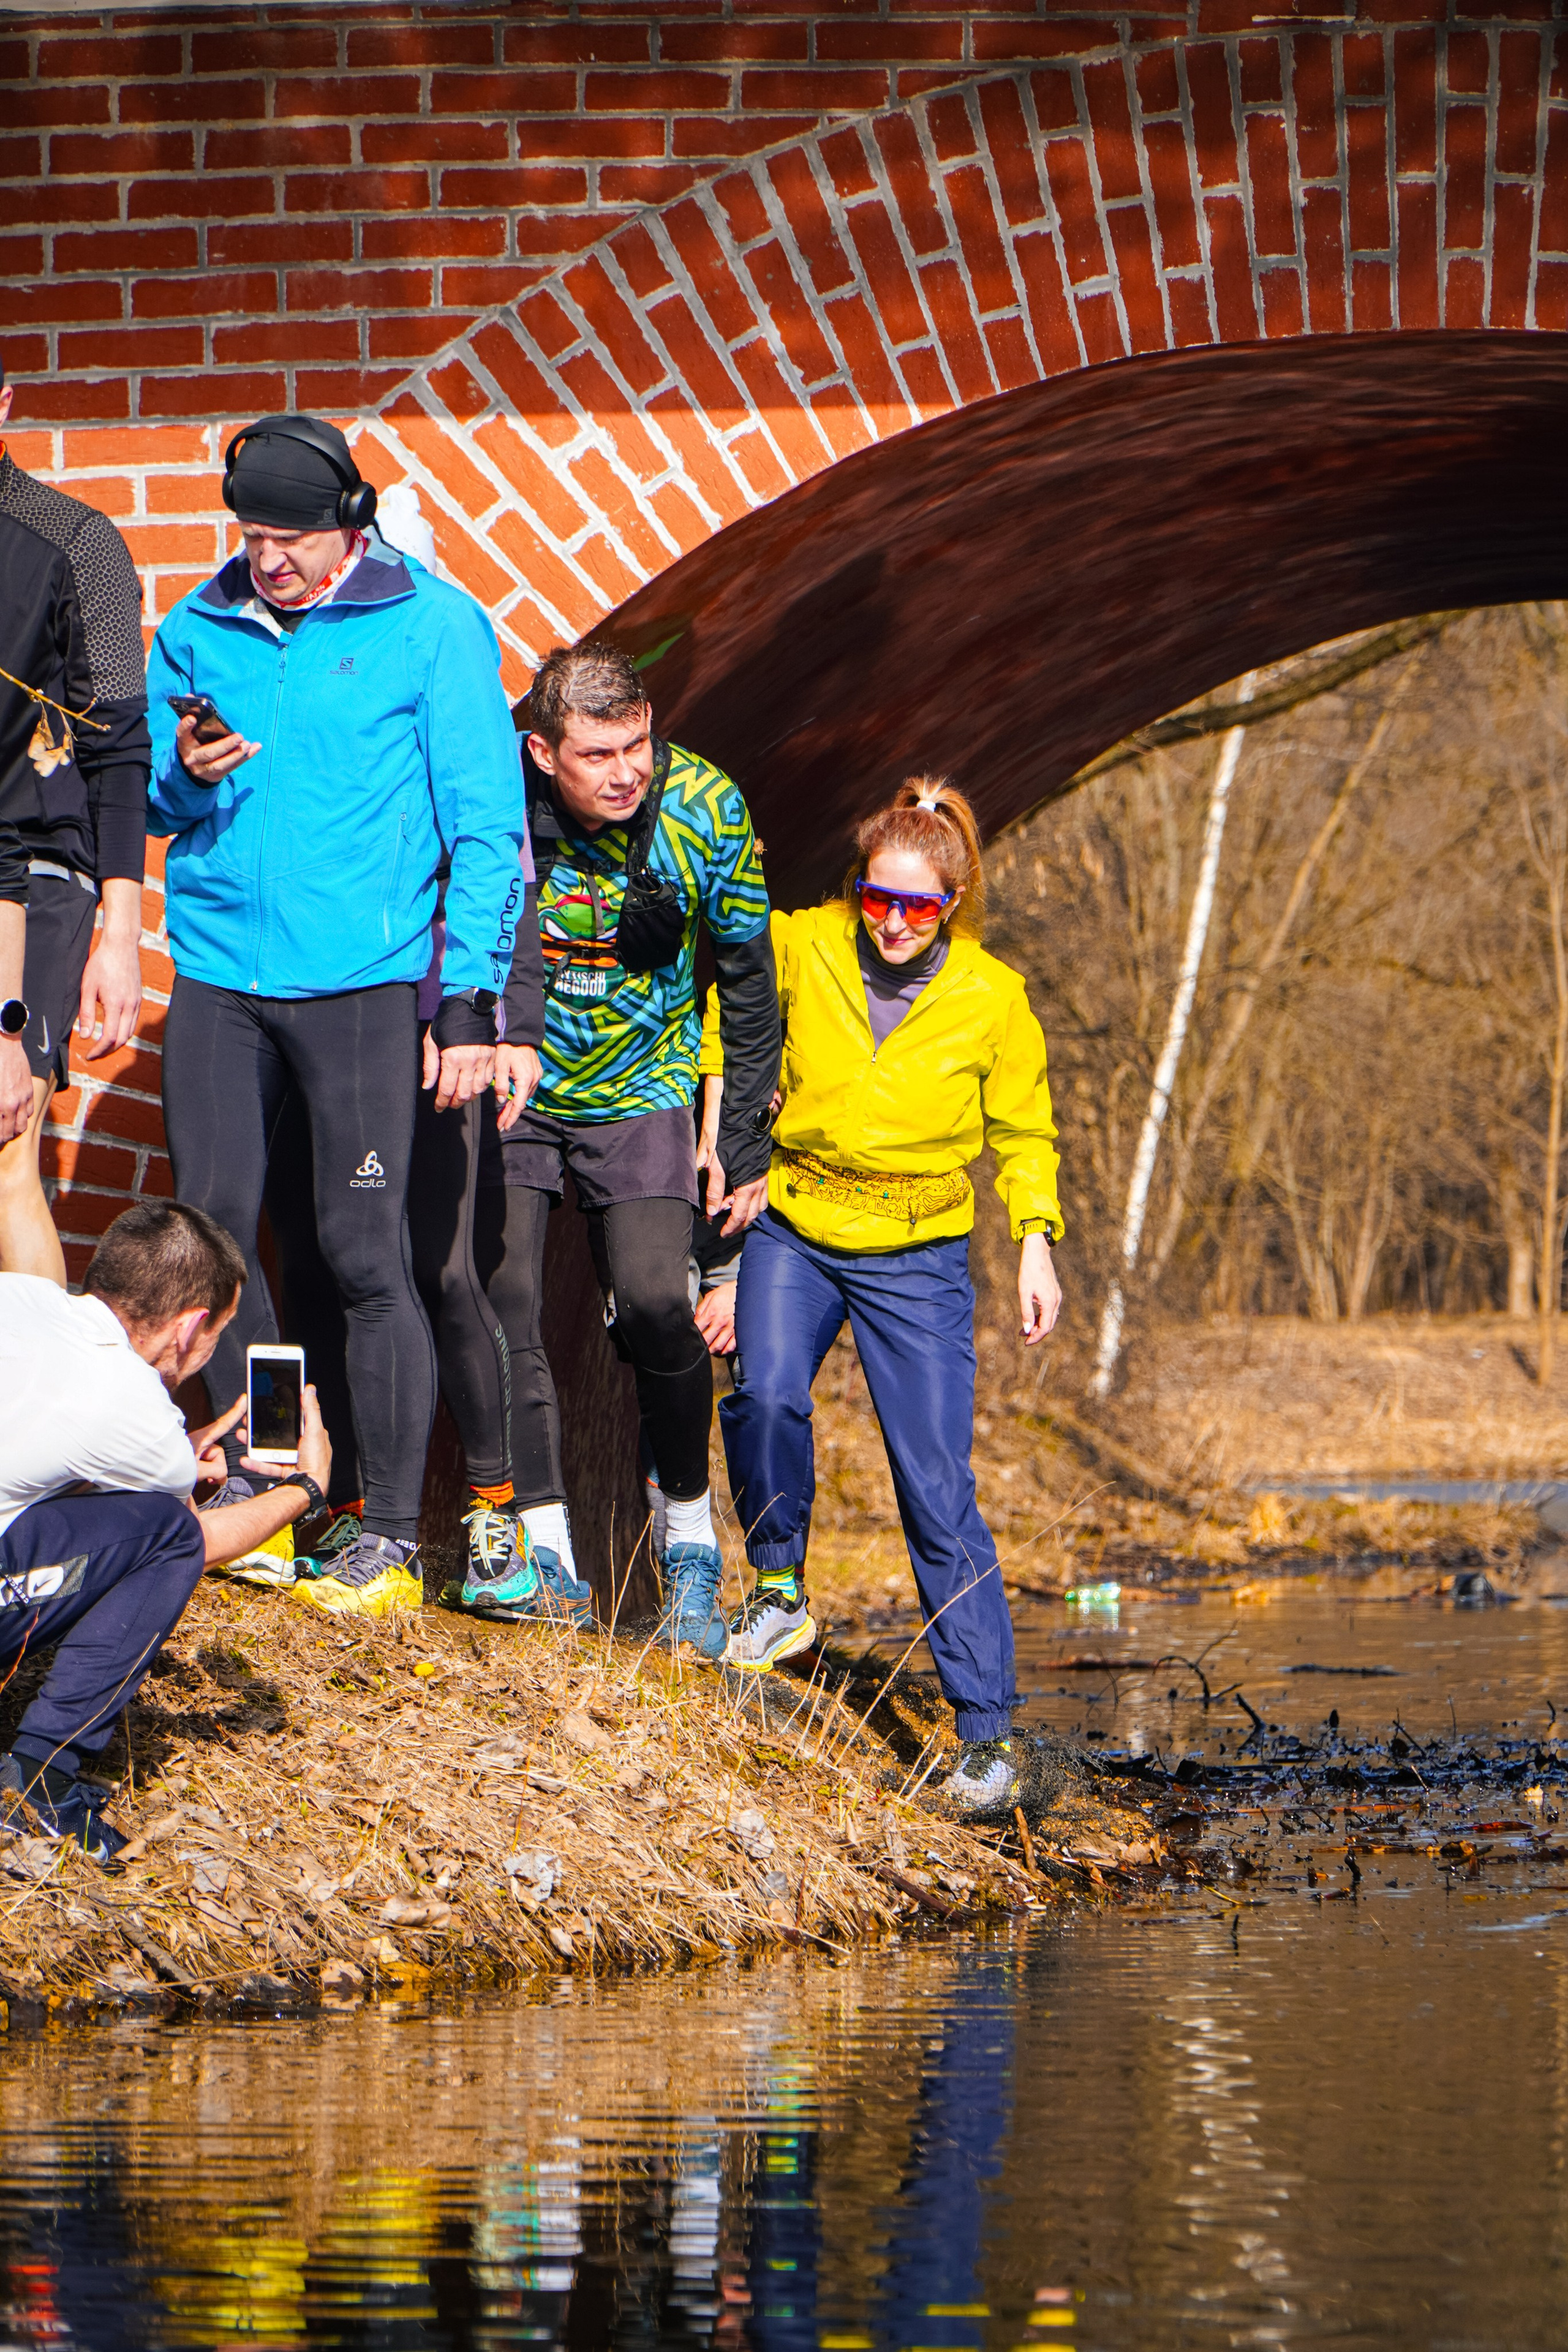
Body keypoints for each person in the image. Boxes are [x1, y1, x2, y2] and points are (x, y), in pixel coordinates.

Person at [145, 413, 526, 1621]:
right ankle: (269, 1483)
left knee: (364, 1254)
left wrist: (466, 996)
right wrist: (183, 772)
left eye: (292, 539)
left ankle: (391, 1539)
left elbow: (484, 827)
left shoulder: (430, 627)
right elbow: (148, 794)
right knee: (211, 1242)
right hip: (218, 975)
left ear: (348, 525)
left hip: (360, 987)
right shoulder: (195, 630)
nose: (271, 562)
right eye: (252, 537)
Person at [711, 778, 1063, 1812]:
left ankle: (986, 1737)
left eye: (918, 907)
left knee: (933, 1484)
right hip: (800, 1221)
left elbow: (1027, 1135)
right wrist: (722, 1121)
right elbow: (719, 989)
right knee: (765, 1391)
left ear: (952, 904)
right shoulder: (804, 943)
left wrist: (1036, 1244)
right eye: (878, 900)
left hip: (919, 1251)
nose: (895, 923)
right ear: (856, 890)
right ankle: (779, 1590)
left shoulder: (994, 997)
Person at [468, 639, 780, 1646]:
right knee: (505, 1297)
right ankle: (546, 1550)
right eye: (599, 755)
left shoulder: (704, 807)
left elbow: (749, 980)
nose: (626, 772)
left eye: (638, 745)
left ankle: (687, 1536)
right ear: (543, 752)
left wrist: (738, 1144)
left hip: (644, 1086)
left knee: (654, 1300)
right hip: (521, 1083)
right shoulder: (499, 800)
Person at [0, 1199, 333, 1858]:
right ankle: (39, 1784)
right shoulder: (132, 1402)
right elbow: (187, 1544)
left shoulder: (21, 1297)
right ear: (190, 1328)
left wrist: (181, 1453)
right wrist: (306, 1488)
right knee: (170, 1536)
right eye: (217, 1336)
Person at [0, 354, 149, 1276]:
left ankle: (33, 1413)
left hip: (38, 876)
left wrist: (121, 933)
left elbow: (120, 748)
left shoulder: (78, 543)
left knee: (7, 1152)